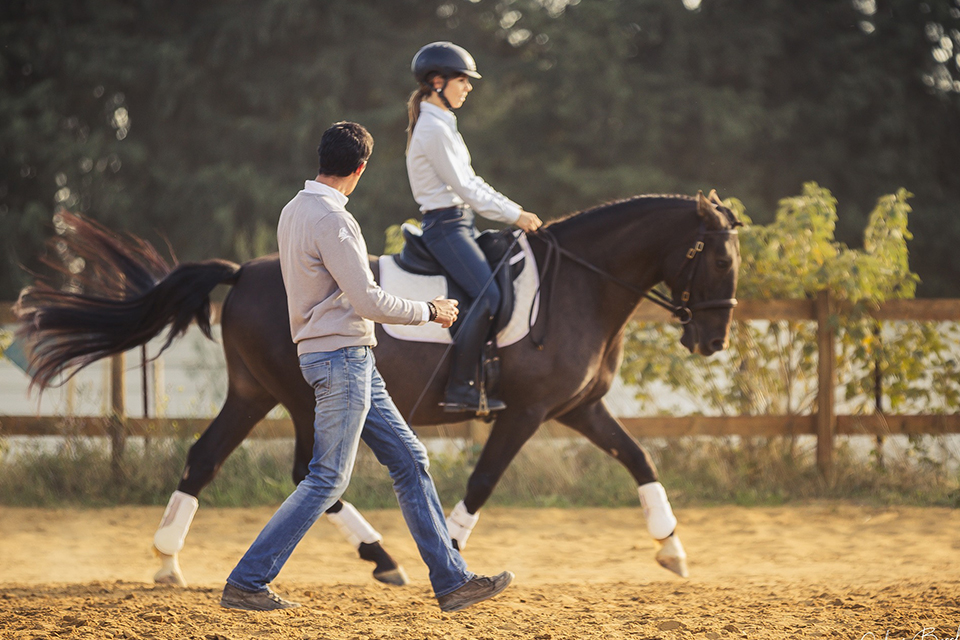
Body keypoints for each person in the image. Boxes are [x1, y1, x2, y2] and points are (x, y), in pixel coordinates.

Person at [220, 121, 513, 613]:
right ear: (359, 169)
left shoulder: (295, 209)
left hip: (342, 359)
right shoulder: (334, 220)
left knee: (410, 459)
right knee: (327, 478)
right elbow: (367, 298)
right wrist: (430, 311)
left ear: (322, 158)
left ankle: (452, 581)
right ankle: (248, 580)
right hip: (342, 360)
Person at [405, 41, 543, 414]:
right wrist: (515, 215)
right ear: (437, 82)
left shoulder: (442, 125)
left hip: (460, 223)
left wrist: (514, 211)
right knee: (489, 297)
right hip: (446, 227)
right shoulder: (433, 129)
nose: (468, 87)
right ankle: (461, 389)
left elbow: (472, 182)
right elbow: (467, 188)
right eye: (462, 80)